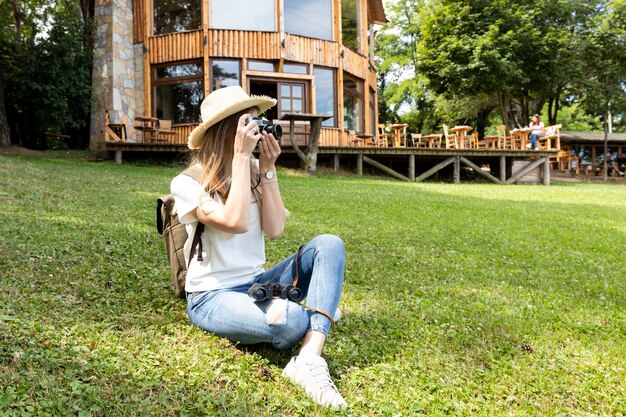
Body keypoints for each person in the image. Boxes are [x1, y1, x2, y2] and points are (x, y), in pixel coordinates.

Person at [170, 86, 347, 409]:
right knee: (292, 320)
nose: (257, 129)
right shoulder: (187, 183)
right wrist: (239, 158)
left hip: (258, 284)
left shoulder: (253, 170)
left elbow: (275, 228)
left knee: (328, 245)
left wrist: (267, 167)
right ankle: (316, 311)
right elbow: (234, 222)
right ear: (225, 130)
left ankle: (309, 357)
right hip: (212, 296)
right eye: (247, 123)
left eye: (257, 122)